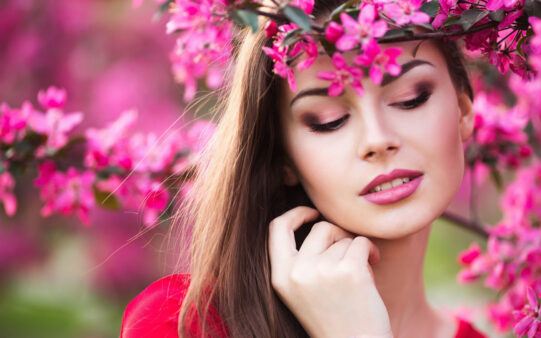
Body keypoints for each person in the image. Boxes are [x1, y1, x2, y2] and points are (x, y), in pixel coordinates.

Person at [121, 0, 486, 337]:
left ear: (463, 111)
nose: (377, 139)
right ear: (284, 158)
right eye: (328, 121)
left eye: (411, 98)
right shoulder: (182, 323)